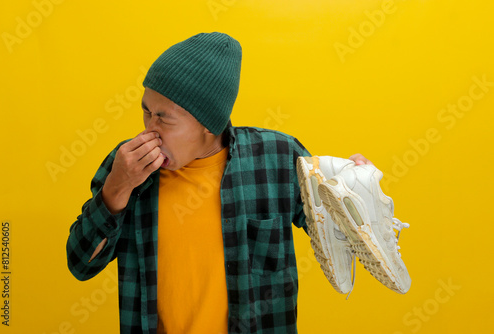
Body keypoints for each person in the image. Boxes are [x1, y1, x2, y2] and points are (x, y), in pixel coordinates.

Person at [66, 32, 375, 334]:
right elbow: (81, 265)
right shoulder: (127, 165)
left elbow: (343, 239)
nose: (149, 130)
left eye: (164, 118)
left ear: (208, 123)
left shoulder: (279, 159)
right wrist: (118, 186)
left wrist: (359, 190)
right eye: (146, 112)